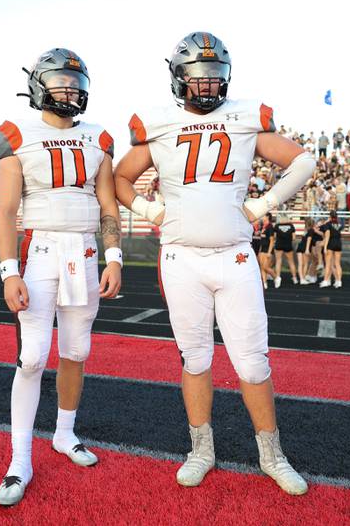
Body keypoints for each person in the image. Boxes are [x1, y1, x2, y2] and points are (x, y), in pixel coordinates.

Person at [114, 32, 310, 494]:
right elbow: (122, 177)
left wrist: (264, 205)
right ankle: (201, 449)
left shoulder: (245, 115)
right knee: (196, 359)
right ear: (177, 78)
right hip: (182, 258)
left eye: (214, 77)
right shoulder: (157, 122)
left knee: (253, 364)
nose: (206, 86)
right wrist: (149, 211)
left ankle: (272, 454)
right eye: (197, 77)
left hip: (235, 255)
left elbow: (303, 162)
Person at [0, 48, 123, 507]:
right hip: (42, 251)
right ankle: (19, 459)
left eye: (76, 84)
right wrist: (10, 271)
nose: (70, 91)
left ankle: (64, 434)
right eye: (61, 82)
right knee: (31, 358)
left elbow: (109, 206)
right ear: (39, 86)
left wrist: (114, 257)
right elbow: (7, 210)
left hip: (86, 252)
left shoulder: (99, 137)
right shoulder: (16, 135)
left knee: (76, 351)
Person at [318, 210, 343, 288]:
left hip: (331, 243)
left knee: (328, 264)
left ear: (330, 216)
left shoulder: (328, 224)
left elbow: (327, 235)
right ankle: (339, 281)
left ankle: (325, 281)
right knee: (337, 264)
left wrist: (325, 247)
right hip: (338, 243)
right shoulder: (340, 224)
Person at [273, 214, 297, 287]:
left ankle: (278, 277)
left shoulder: (277, 226)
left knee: (278, 261)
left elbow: (274, 236)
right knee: (291, 262)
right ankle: (295, 278)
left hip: (279, 245)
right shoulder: (291, 226)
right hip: (288, 245)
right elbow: (294, 238)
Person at [258, 214, 276, 289]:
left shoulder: (270, 227)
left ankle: (276, 277)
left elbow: (272, 240)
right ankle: (264, 283)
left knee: (266, 267)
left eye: (263, 216)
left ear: (267, 217)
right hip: (262, 249)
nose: (262, 217)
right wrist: (259, 250)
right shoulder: (263, 226)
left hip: (267, 249)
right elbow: (262, 240)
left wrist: (269, 252)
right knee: (262, 267)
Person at [297, 218, 314, 286]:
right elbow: (309, 239)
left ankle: (301, 279)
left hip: (300, 246)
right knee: (305, 264)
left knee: (300, 264)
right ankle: (303, 278)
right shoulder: (311, 230)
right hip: (305, 247)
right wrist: (307, 249)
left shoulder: (305, 230)